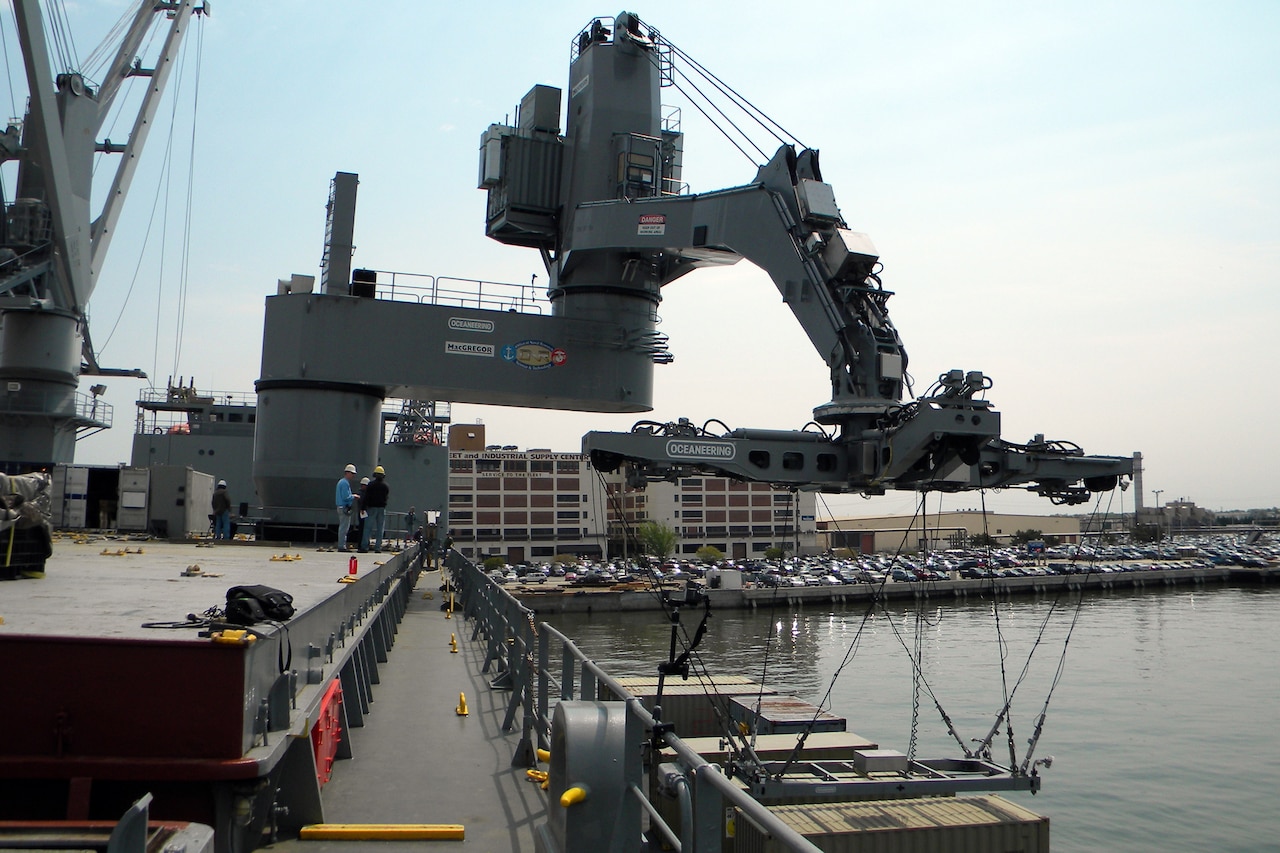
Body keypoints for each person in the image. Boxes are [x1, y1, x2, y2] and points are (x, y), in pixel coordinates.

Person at [363, 466, 390, 552]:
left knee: (367, 528)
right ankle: (378, 548)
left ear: (375, 475)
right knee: (380, 529)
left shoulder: (370, 485)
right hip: (381, 509)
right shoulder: (386, 486)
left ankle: (365, 547)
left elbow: (366, 497)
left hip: (371, 508)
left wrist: (363, 507)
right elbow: (386, 498)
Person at [335, 463, 358, 551]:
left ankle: (342, 545)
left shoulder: (341, 482)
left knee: (343, 527)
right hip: (344, 507)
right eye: (352, 474)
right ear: (347, 473)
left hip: (340, 507)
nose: (353, 476)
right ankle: (341, 546)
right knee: (344, 528)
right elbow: (346, 497)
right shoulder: (345, 483)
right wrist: (354, 496)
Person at [353, 477, 370, 552]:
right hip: (363, 513)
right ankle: (362, 545)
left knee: (363, 529)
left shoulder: (360, 493)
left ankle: (362, 545)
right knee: (363, 529)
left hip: (362, 513)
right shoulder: (363, 494)